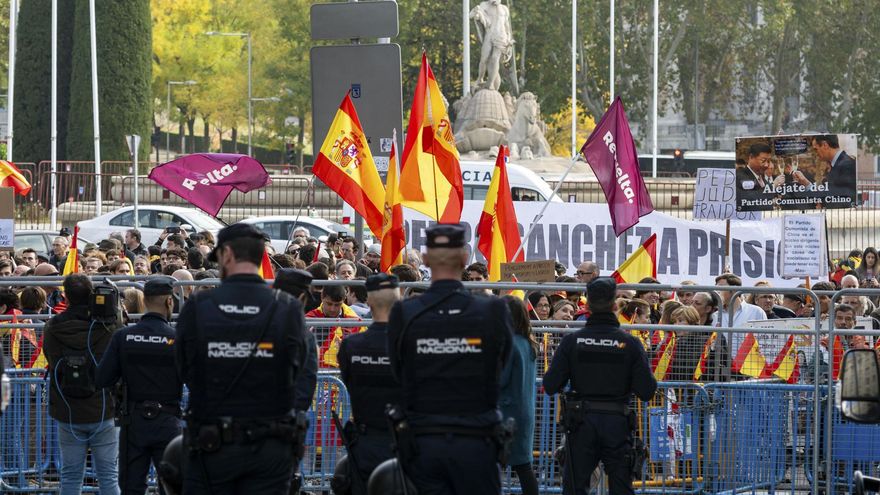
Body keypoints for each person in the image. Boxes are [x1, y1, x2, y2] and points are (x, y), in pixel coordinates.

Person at [175, 224, 311, 493]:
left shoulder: (199, 306)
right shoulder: (288, 307)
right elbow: (301, 371)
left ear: (227, 254)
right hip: (270, 445)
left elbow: (184, 368)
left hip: (213, 445)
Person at [386, 223, 513, 494]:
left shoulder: (405, 313)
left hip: (424, 442)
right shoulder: (492, 310)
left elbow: (397, 369)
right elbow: (502, 363)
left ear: (426, 259)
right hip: (476, 441)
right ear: (465, 258)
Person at [543, 277, 657, 495]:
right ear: (615, 305)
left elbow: (550, 385)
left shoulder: (572, 341)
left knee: (575, 488)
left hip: (581, 424)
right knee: (621, 488)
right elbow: (647, 391)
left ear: (587, 306)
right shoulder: (630, 344)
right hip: (617, 424)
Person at [96, 277, 182, 495]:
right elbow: (196, 381)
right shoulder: (178, 339)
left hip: (133, 422)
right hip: (168, 421)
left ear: (144, 302)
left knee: (131, 487)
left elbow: (102, 378)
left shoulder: (123, 336)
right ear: (169, 302)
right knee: (172, 485)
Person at [43, 273, 121, 494]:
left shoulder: (52, 327)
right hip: (103, 407)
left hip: (68, 409)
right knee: (109, 476)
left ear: (66, 297)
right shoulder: (109, 325)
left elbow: (52, 360)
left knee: (70, 476)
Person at [336, 274, 403, 494]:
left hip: (365, 443)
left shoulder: (351, 346)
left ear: (369, 302)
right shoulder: (410, 344)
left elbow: (349, 381)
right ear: (398, 302)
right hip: (403, 444)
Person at [500, 295, 539, 495]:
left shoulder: (508, 344)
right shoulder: (528, 343)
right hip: (524, 412)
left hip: (506, 413)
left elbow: (500, 379)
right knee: (523, 465)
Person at [812, 134, 856, 201]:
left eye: (816, 149)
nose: (816, 153)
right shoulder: (838, 163)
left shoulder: (846, 164)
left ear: (825, 145)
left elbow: (844, 196)